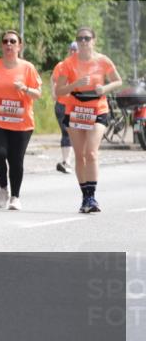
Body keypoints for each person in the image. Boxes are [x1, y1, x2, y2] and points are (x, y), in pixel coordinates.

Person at [54, 27, 122, 213]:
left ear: (94, 40)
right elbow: (59, 91)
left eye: (87, 38)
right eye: (80, 38)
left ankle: (92, 197)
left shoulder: (103, 61)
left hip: (98, 109)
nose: (83, 41)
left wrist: (104, 89)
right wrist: (76, 84)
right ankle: (85, 197)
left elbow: (118, 81)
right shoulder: (68, 63)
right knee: (80, 155)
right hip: (75, 110)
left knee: (91, 152)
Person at [0, 29, 42, 211]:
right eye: (5, 41)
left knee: (16, 160)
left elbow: (38, 93)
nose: (9, 45)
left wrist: (25, 88)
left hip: (22, 122)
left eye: (13, 42)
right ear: (1, 45)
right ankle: (3, 188)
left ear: (19, 46)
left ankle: (15, 196)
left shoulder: (27, 68)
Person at [51, 41, 79, 174]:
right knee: (66, 131)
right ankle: (66, 162)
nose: (73, 52)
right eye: (71, 49)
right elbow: (53, 79)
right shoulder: (61, 65)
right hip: (62, 104)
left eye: (76, 50)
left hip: (77, 105)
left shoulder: (82, 67)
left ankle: (70, 161)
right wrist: (53, 92)